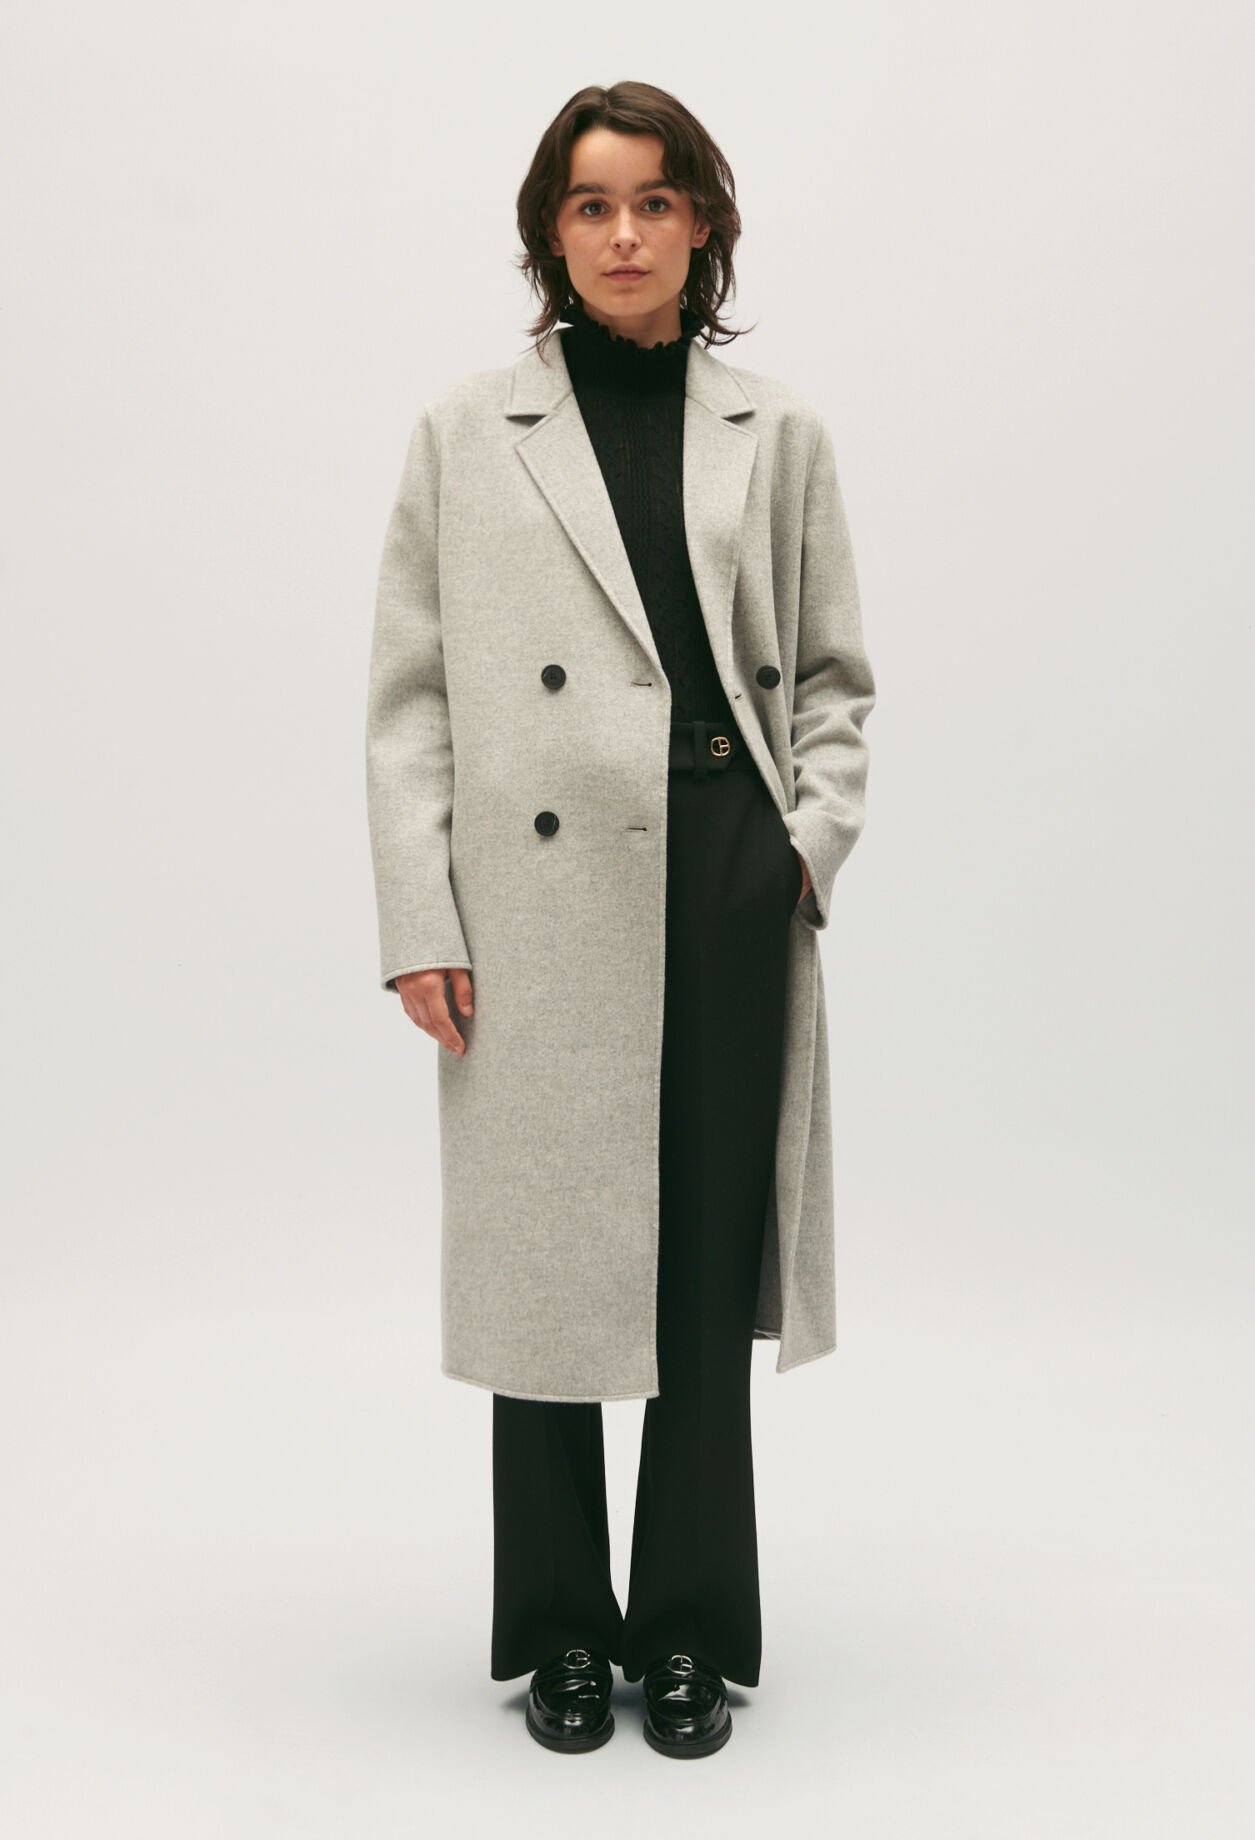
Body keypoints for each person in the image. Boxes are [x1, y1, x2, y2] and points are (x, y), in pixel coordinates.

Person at [365, 81, 876, 1760]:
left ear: (701, 224)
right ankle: (563, 1633)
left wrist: (802, 847)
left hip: (722, 870)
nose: (626, 233)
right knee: (548, 1265)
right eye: (592, 205)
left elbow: (835, 679)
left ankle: (691, 1632)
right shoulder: (467, 430)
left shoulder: (776, 432)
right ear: (551, 232)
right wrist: (422, 913)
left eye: (656, 201)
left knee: (699, 1263)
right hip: (534, 901)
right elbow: (411, 699)